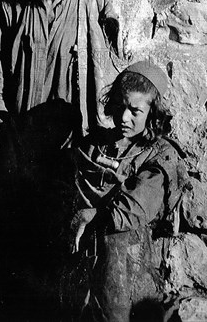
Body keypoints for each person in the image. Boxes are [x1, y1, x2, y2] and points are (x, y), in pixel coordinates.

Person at [0, 0, 123, 319]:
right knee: (13, 260)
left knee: (60, 263)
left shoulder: (94, 6)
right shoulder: (9, 9)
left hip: (70, 156)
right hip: (18, 150)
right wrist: (7, 135)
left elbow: (111, 81)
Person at [66, 61, 187, 321]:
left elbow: (135, 208)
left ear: (153, 113)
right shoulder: (94, 145)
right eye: (120, 106)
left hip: (130, 276)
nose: (124, 117)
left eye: (135, 111)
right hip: (84, 270)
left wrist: (91, 214)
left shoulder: (161, 155)